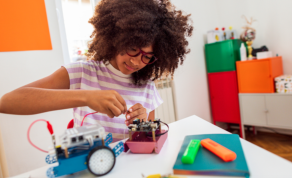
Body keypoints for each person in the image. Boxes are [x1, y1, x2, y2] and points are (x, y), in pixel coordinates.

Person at [0, 0, 193, 141]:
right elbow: (7, 102)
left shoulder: (147, 87)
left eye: (147, 56)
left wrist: (143, 125)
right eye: (133, 48)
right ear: (117, 38)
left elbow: (151, 141)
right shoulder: (82, 73)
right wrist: (86, 97)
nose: (136, 61)